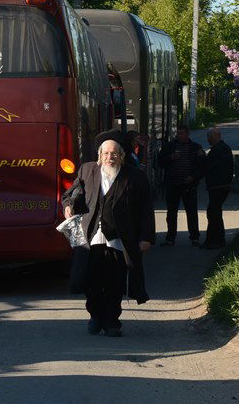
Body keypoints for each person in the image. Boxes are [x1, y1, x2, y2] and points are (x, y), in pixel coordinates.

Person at [63, 136, 155, 337]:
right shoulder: (87, 170)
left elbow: (146, 209)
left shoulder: (135, 177)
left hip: (120, 239)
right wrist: (68, 206)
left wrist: (146, 237)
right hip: (92, 239)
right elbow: (71, 194)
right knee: (91, 282)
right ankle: (95, 316)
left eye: (114, 153)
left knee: (115, 282)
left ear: (121, 155)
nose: (109, 157)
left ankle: (112, 321)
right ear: (100, 155)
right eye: (106, 153)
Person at [158, 124, 205, 246]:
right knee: (171, 213)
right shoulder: (170, 146)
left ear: (187, 134)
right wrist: (170, 157)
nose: (179, 136)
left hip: (188, 185)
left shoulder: (195, 147)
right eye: (178, 133)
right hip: (173, 184)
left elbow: (202, 167)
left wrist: (193, 177)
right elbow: (160, 162)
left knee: (191, 212)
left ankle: (194, 237)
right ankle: (170, 238)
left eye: (182, 133)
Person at [200, 127, 234, 249]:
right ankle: (217, 239)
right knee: (215, 212)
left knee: (213, 213)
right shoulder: (224, 148)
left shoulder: (218, 150)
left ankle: (214, 240)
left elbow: (208, 166)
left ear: (213, 137)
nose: (207, 140)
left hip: (218, 186)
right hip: (221, 185)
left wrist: (202, 157)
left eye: (209, 137)